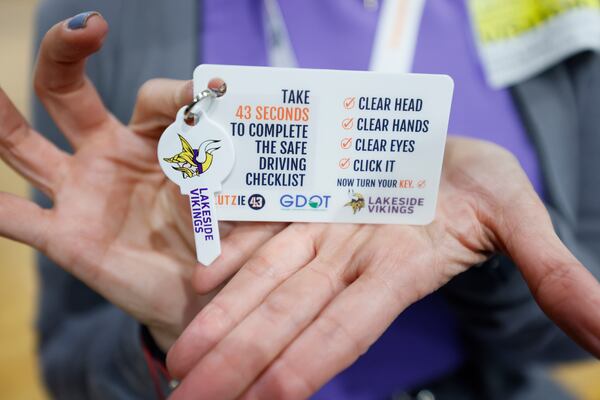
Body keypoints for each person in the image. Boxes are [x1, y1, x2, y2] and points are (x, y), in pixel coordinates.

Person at [0, 1, 596, 399]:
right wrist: (166, 347)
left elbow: (574, 330)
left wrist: (487, 258)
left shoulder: (558, 12)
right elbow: (71, 364)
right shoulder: (119, 14)